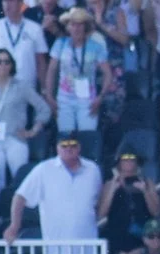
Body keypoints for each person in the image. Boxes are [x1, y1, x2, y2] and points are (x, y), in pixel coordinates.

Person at [49, 7, 116, 150]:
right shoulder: (60, 44)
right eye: (73, 24)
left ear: (85, 26)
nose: (77, 28)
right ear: (68, 27)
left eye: (80, 24)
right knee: (65, 137)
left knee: (87, 137)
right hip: (64, 99)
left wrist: (100, 97)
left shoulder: (96, 46)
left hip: (87, 100)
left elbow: (108, 73)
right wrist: (49, 95)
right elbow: (51, 71)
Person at [0, 50, 52, 178]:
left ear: (12, 65)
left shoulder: (22, 87)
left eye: (6, 62)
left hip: (15, 138)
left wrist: (34, 130)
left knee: (20, 179)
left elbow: (44, 108)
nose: (3, 65)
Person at [97, 151, 160, 254]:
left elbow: (156, 212)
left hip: (140, 237)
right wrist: (112, 190)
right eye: (125, 159)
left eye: (132, 159)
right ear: (119, 163)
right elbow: (102, 213)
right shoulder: (109, 184)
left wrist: (145, 191)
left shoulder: (148, 183)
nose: (129, 162)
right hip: (116, 236)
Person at [0, 0, 48, 91]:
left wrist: (45, 89)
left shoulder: (35, 29)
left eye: (11, 1)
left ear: (20, 4)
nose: (7, 5)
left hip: (26, 90)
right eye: (5, 1)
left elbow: (41, 63)